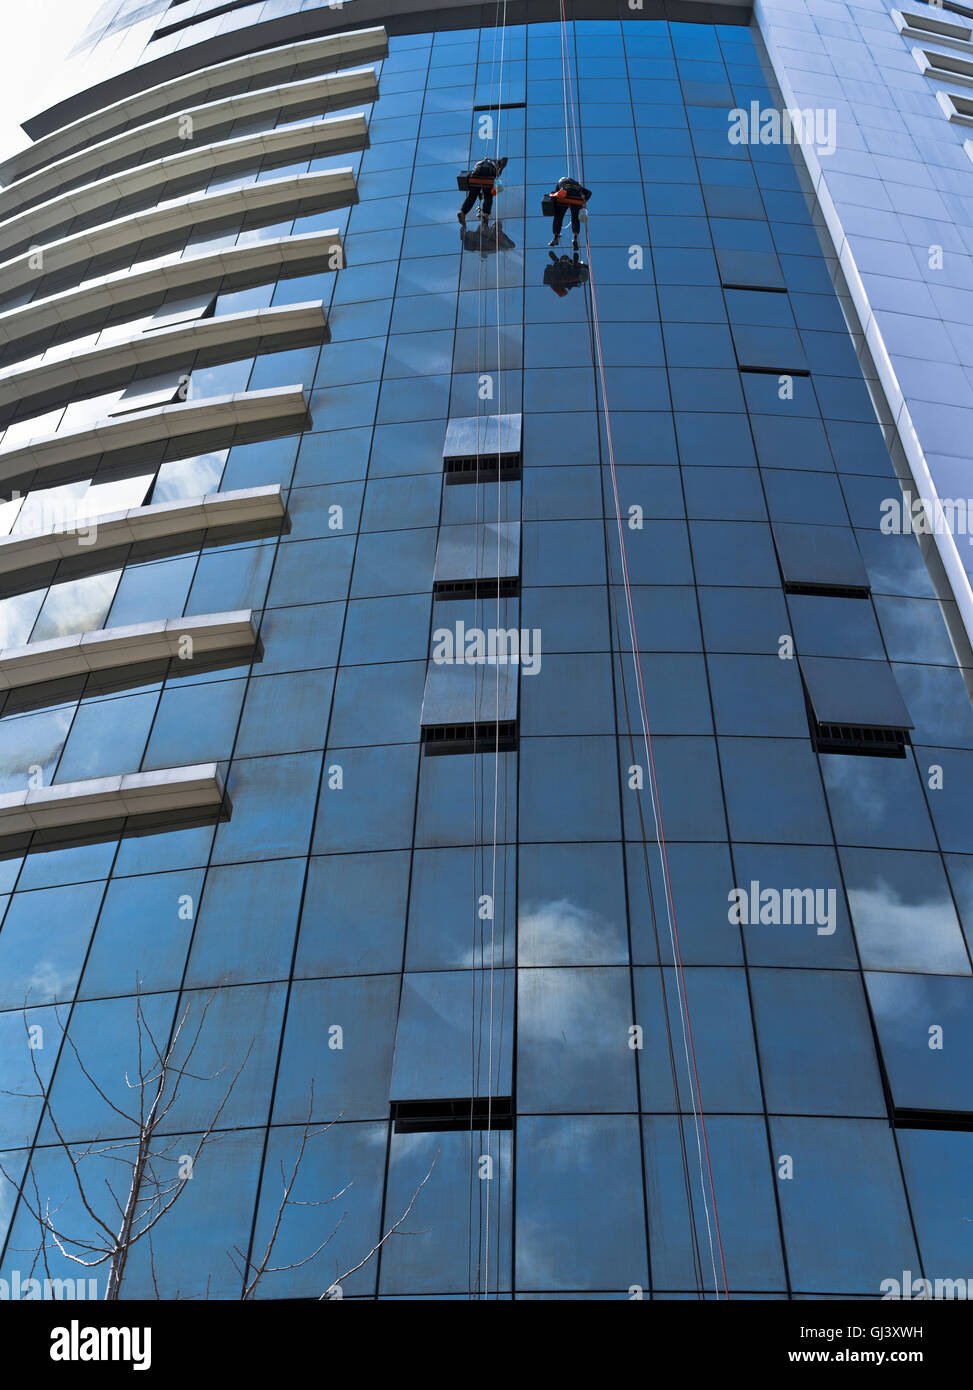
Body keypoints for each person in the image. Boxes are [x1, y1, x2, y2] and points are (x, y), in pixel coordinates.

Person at [458, 156, 508, 224]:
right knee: (488, 196)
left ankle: (462, 212)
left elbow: (478, 189)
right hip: (488, 175)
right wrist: (500, 170)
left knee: (472, 196)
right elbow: (505, 159)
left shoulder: (481, 162)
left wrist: (480, 195)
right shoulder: (495, 162)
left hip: (476, 175)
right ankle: (486, 214)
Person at [548, 175, 590, 249]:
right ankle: (575, 238)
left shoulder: (560, 182)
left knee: (558, 217)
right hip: (576, 200)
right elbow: (589, 193)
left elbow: (555, 193)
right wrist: (584, 200)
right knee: (575, 219)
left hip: (564, 198)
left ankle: (556, 237)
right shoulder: (577, 185)